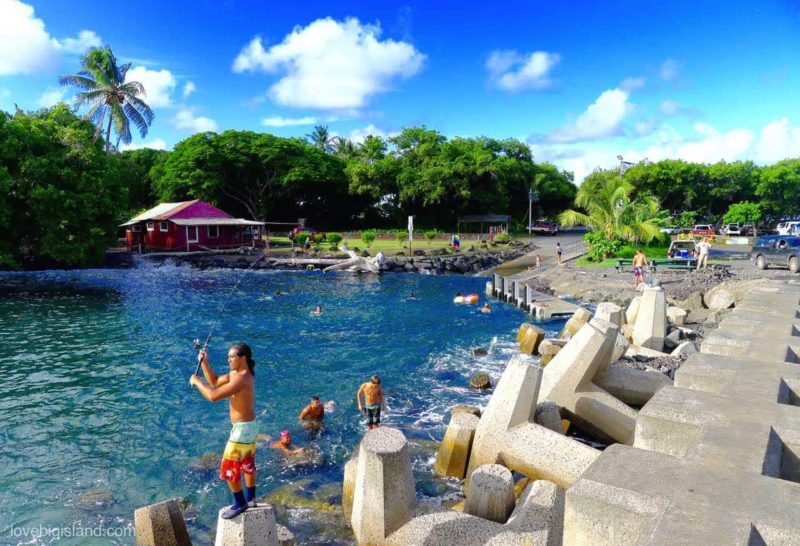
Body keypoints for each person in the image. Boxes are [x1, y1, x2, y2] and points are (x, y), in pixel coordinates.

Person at [190, 343, 258, 519]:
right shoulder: (238, 374)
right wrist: (204, 362)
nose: (229, 360)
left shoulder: (241, 378)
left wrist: (197, 382)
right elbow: (214, 381)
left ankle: (240, 502)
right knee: (247, 464)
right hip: (249, 427)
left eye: (232, 357)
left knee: (229, 467)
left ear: (243, 358)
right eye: (228, 357)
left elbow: (213, 396)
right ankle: (251, 499)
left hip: (242, 430)